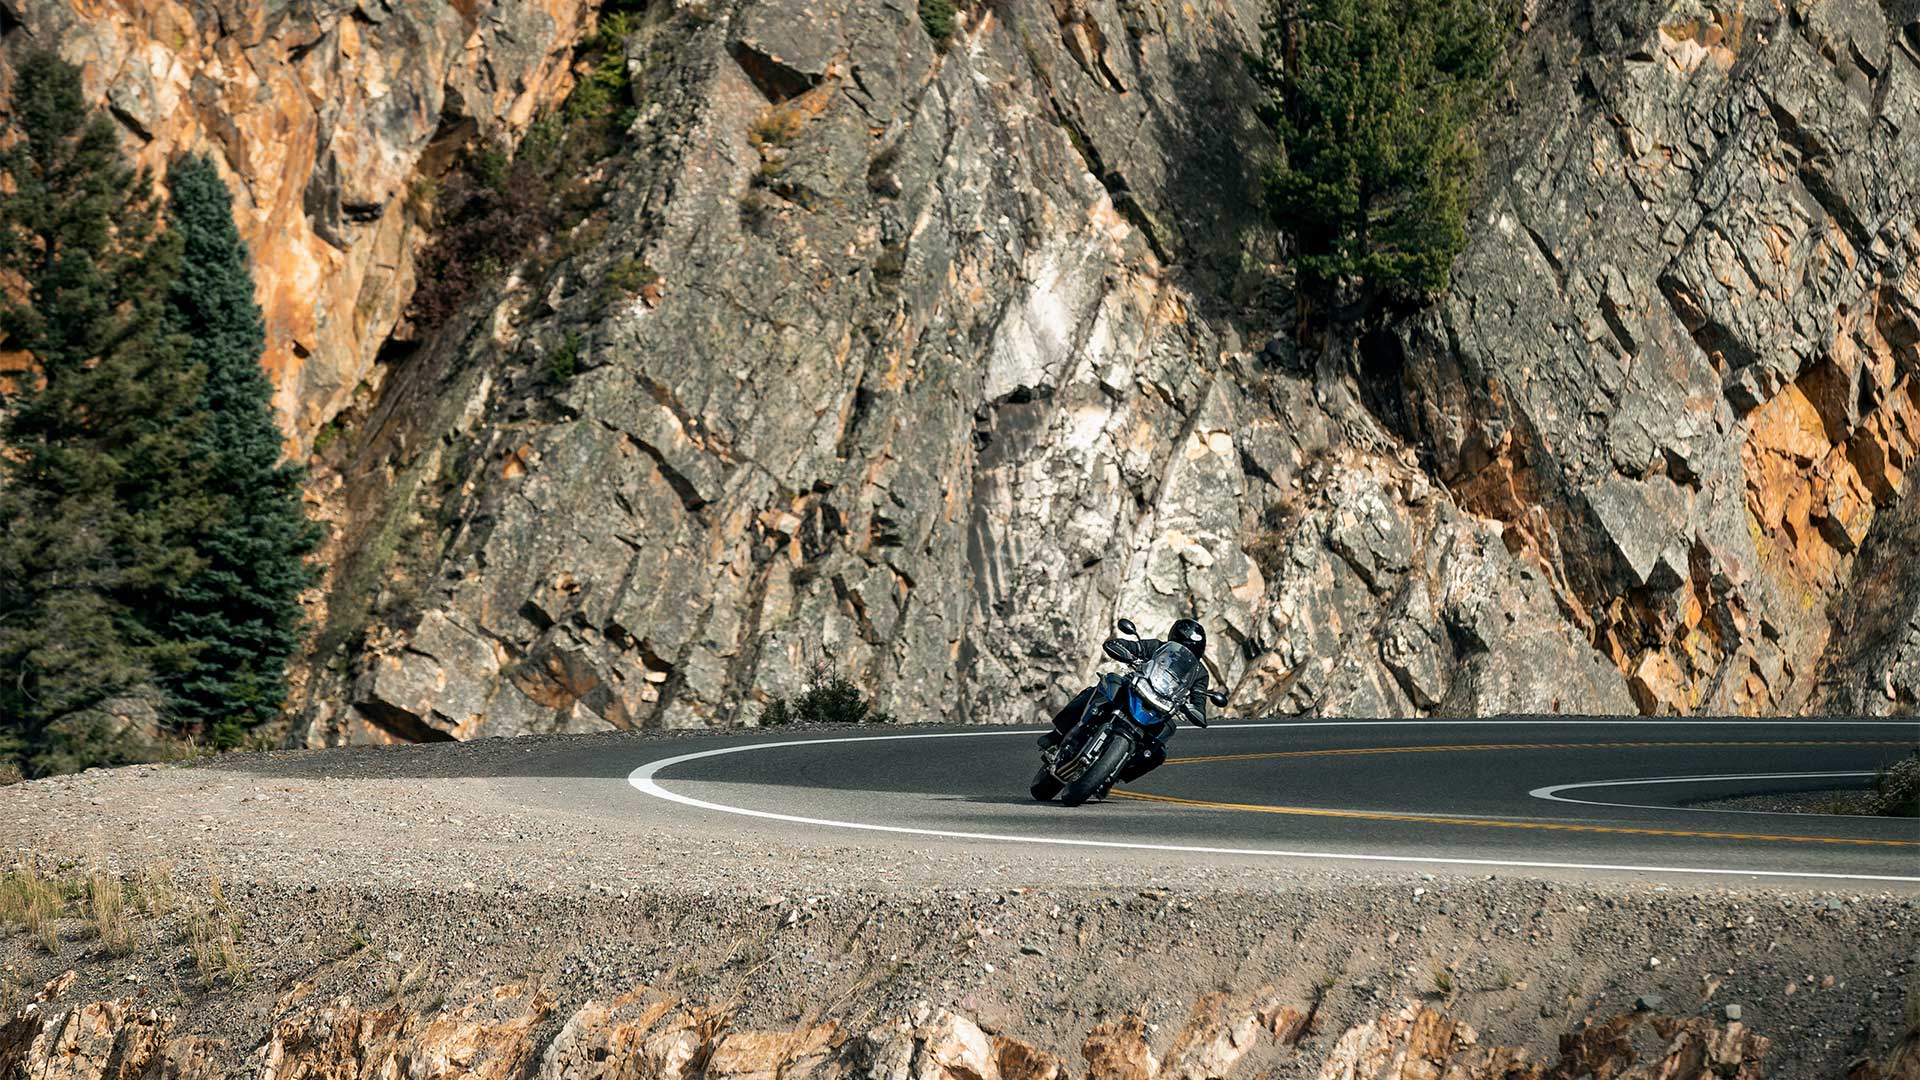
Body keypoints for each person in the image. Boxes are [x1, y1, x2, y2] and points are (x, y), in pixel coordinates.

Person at [1037, 618, 1210, 771]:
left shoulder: (1200, 673)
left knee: (1159, 751)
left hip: (1162, 706)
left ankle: (1115, 772)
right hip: (1137, 689)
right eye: (1181, 645)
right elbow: (1128, 646)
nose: (1183, 652)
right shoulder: (1157, 647)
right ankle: (1058, 734)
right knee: (1099, 689)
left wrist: (1193, 710)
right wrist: (1126, 653)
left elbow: (1199, 702)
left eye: (1190, 649)